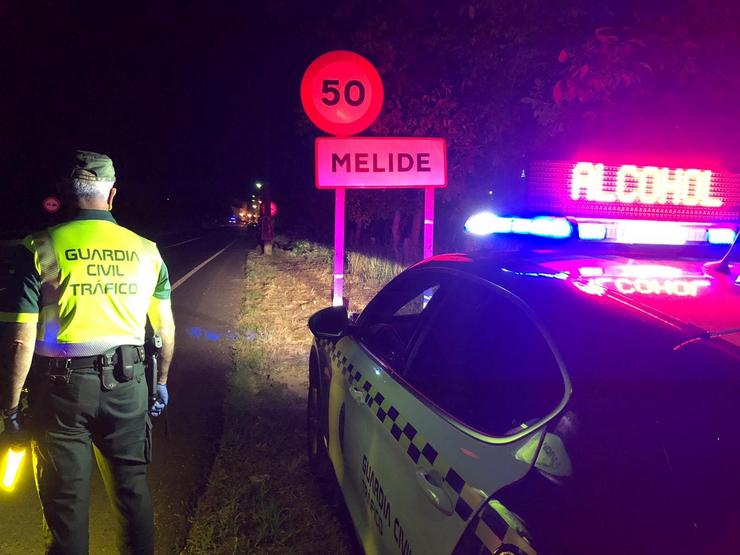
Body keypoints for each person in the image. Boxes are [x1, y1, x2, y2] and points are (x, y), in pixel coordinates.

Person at [0, 150, 176, 554]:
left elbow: (20, 340)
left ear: (64, 192)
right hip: (129, 385)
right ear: (112, 195)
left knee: (64, 508)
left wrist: (10, 408)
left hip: (59, 392)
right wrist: (161, 381)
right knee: (133, 496)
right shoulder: (147, 251)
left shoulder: (38, 247)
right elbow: (165, 329)